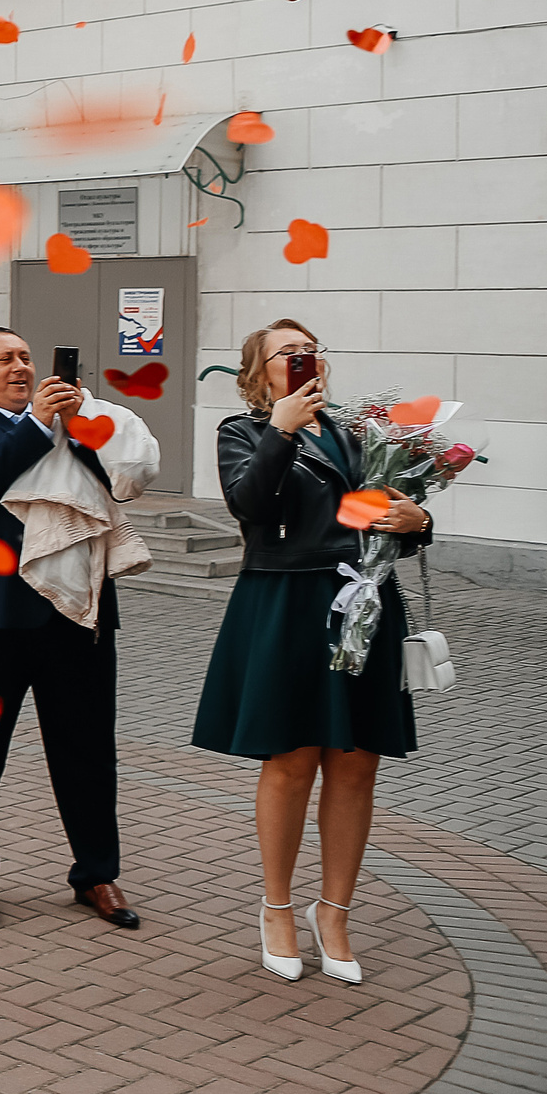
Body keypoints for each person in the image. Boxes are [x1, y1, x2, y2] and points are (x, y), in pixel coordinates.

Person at [193, 319, 429, 986]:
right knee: (292, 757)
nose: (303, 360)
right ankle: (276, 909)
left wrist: (419, 523)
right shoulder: (243, 431)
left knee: (355, 762)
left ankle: (336, 914)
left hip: (363, 601)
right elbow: (250, 504)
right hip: (287, 603)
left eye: (310, 351)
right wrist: (283, 429)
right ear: (259, 371)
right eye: (286, 353)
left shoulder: (359, 433)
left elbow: (379, 517)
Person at [0, 327, 136, 929]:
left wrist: (88, 424)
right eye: (5, 359)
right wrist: (38, 427)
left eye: (26, 356)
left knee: (89, 750)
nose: (20, 367)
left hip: (77, 614)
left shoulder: (78, 421)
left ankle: (96, 874)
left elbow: (117, 482)